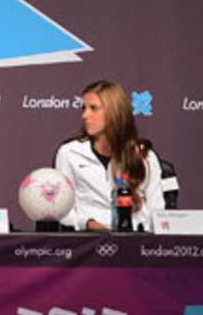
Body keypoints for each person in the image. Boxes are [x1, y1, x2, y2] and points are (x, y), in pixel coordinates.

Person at [53, 80, 164, 231]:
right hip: (91, 241)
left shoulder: (145, 156)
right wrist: (86, 223)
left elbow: (157, 212)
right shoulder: (69, 153)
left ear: (114, 112)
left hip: (137, 242)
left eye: (93, 108)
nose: (85, 115)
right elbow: (63, 210)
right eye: (84, 108)